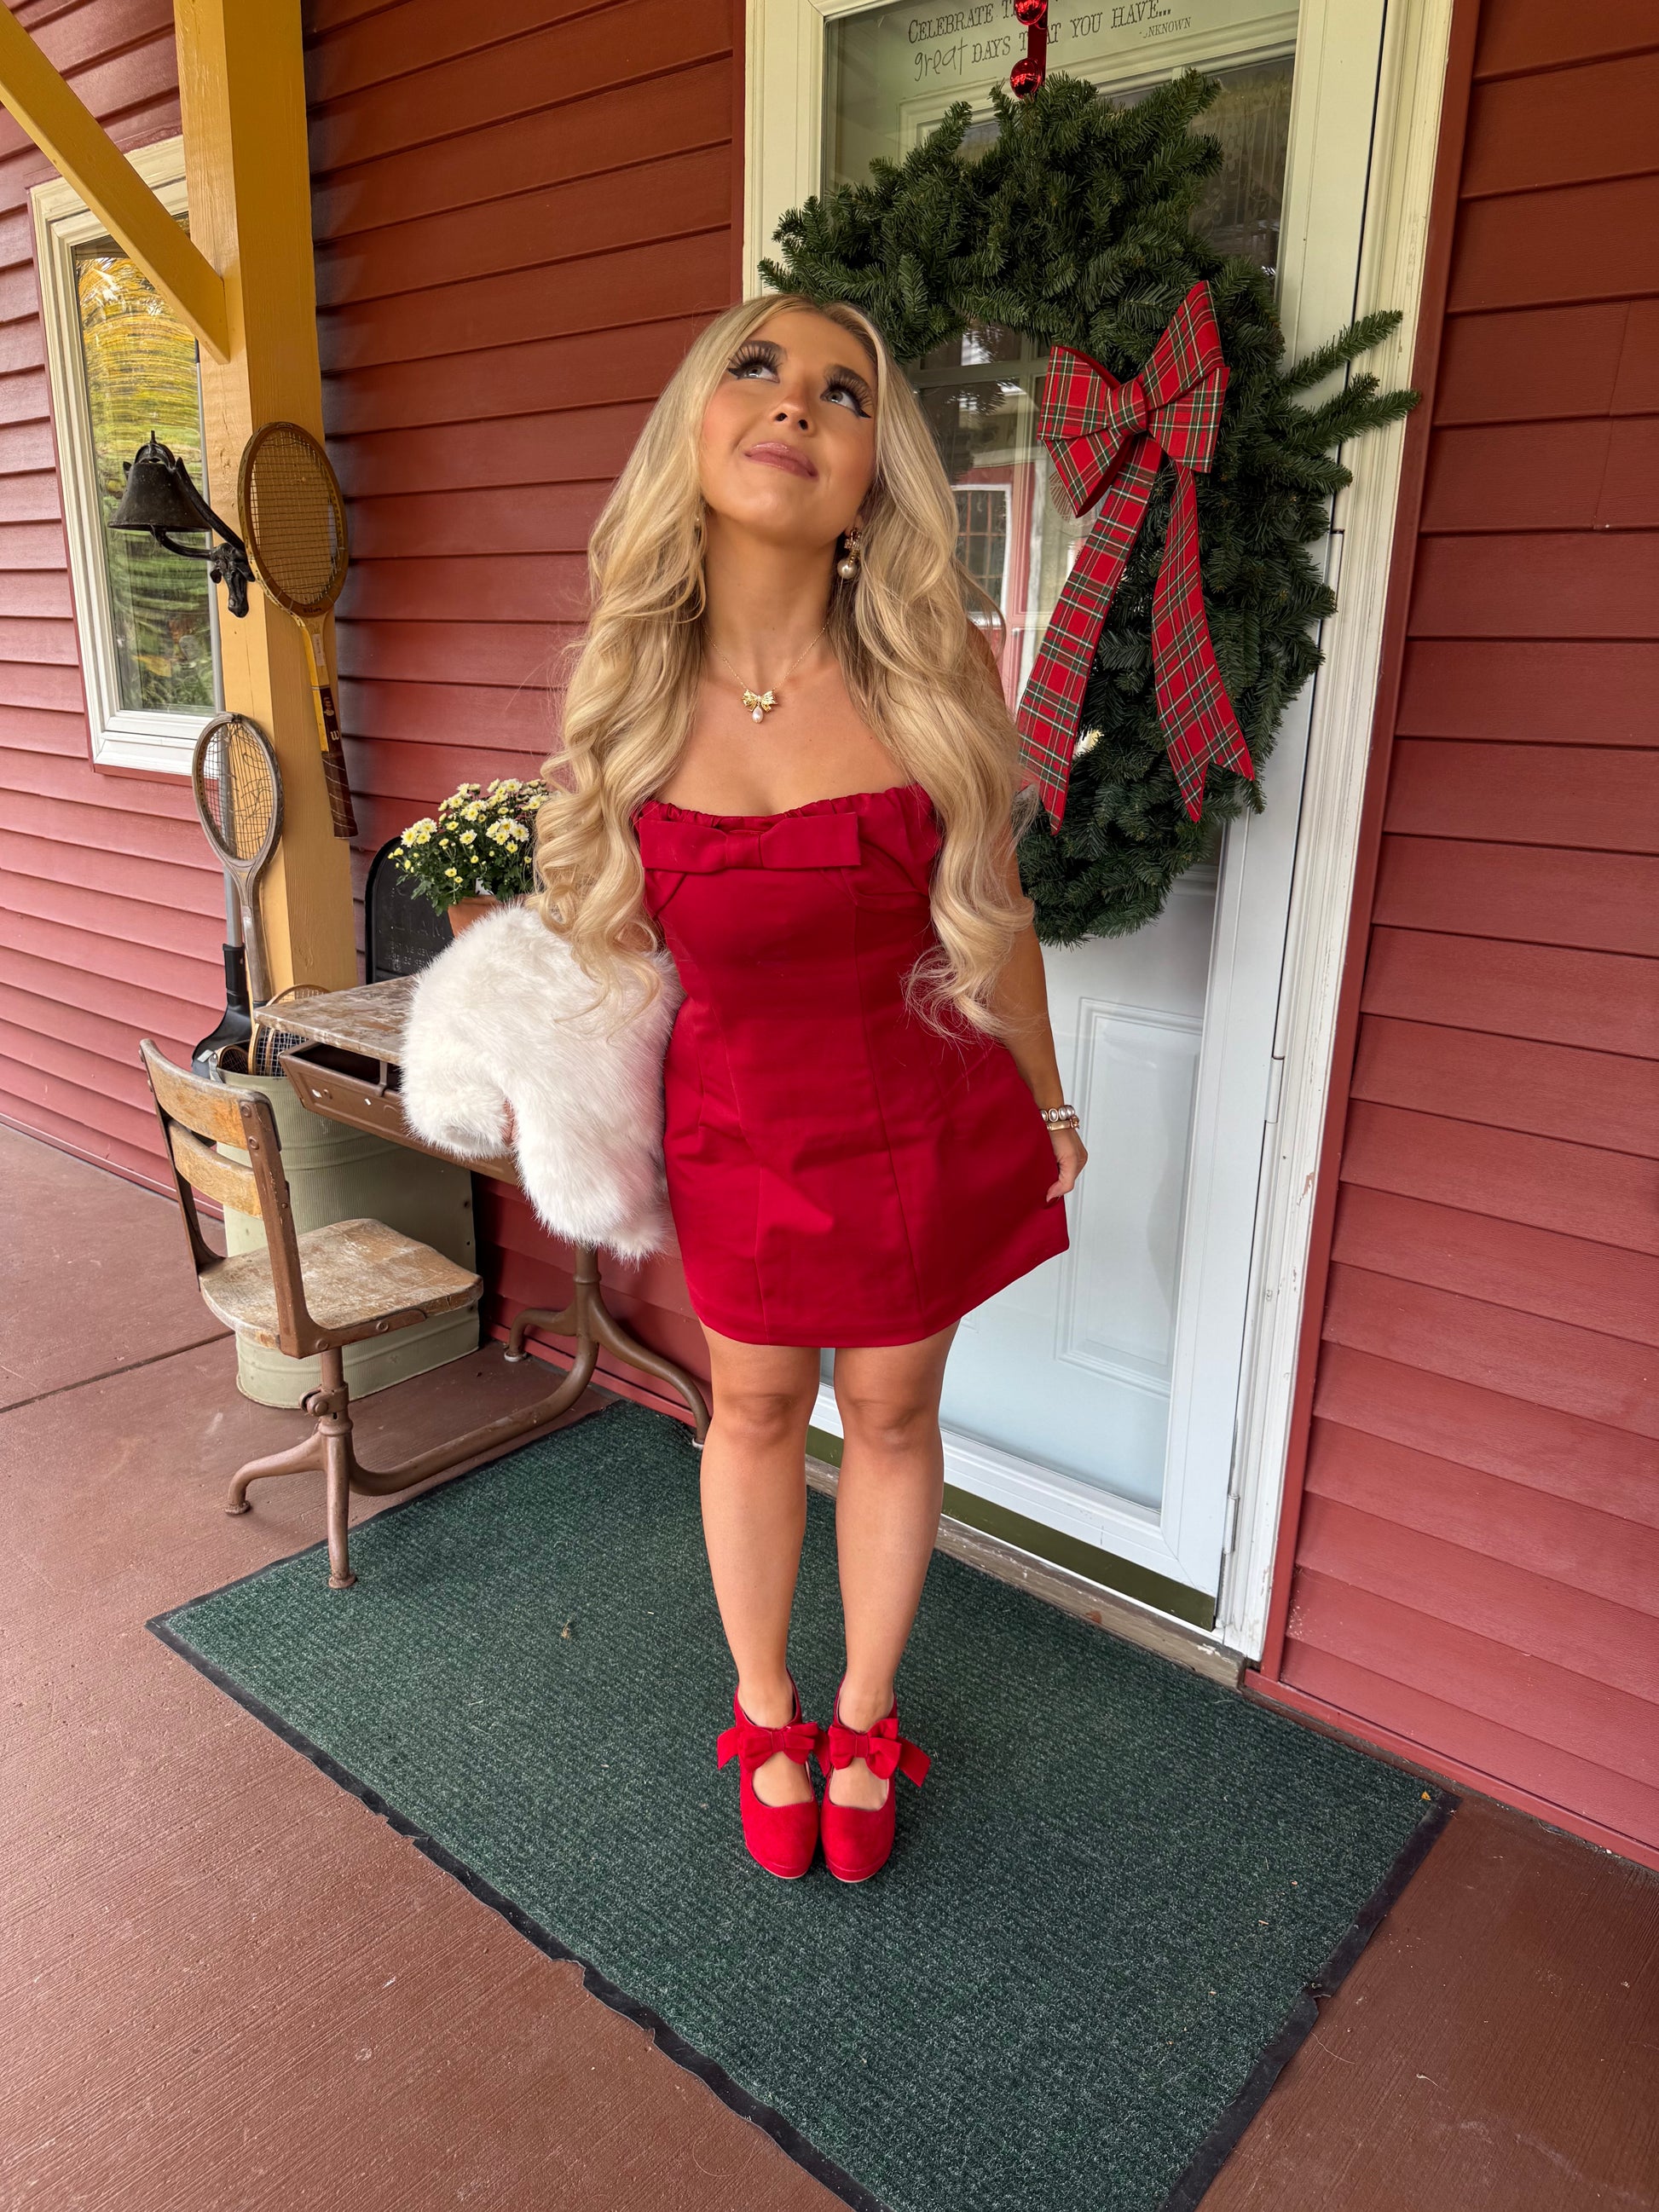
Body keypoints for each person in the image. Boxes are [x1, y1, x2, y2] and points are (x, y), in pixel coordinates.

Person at [534, 292, 1087, 1885]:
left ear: (868, 477)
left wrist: (1048, 1102)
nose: (795, 404)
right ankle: (767, 1712)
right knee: (758, 1407)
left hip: (918, 1117)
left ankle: (864, 1713)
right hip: (736, 1131)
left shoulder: (930, 672)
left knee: (893, 1413)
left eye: (843, 393)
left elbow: (997, 914)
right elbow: (599, 964)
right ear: (694, 429)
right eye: (759, 369)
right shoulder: (631, 694)